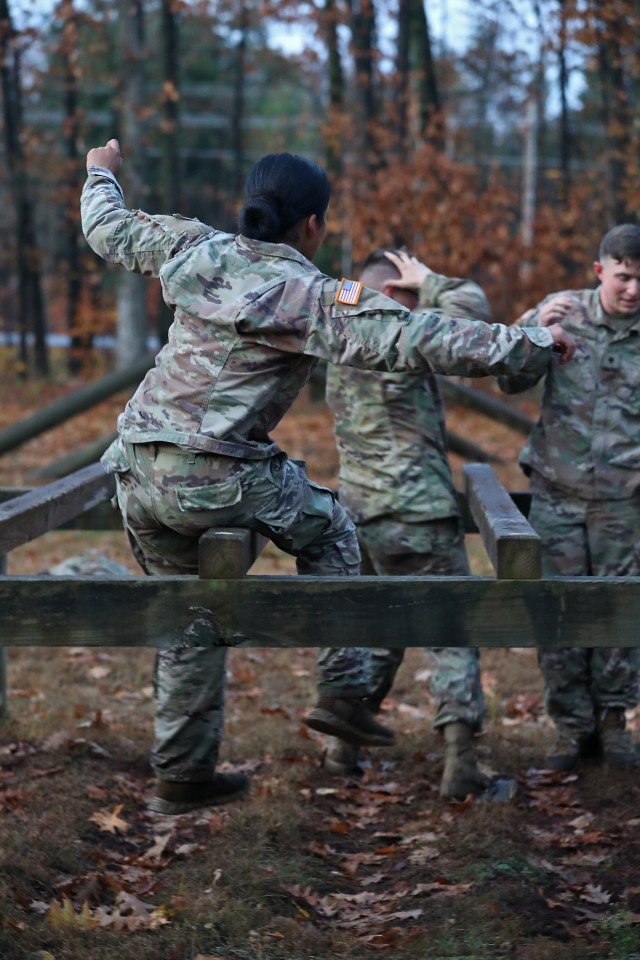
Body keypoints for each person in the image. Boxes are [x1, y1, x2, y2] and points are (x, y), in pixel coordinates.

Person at [81, 138, 574, 815]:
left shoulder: (190, 246)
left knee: (188, 615)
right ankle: (343, 691)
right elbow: (419, 339)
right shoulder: (311, 295)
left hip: (136, 469)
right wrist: (536, 342)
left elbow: (107, 228)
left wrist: (98, 171)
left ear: (248, 205)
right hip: (218, 472)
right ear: (313, 225)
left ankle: (182, 776)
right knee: (335, 529)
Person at [319, 249, 494, 799]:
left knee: (379, 630)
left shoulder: (340, 326)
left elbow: (344, 290)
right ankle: (461, 763)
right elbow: (474, 315)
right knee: (451, 632)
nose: (421, 304)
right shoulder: (399, 329)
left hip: (359, 512)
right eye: (412, 295)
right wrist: (432, 279)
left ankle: (342, 745)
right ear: (394, 296)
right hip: (416, 508)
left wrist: (379, 285)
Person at [498, 224, 640, 771]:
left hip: (623, 503)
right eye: (624, 277)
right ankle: (571, 731)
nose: (633, 290)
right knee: (557, 611)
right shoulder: (561, 312)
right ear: (601, 270)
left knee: (619, 615)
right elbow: (506, 379)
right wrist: (533, 333)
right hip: (557, 492)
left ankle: (614, 727)